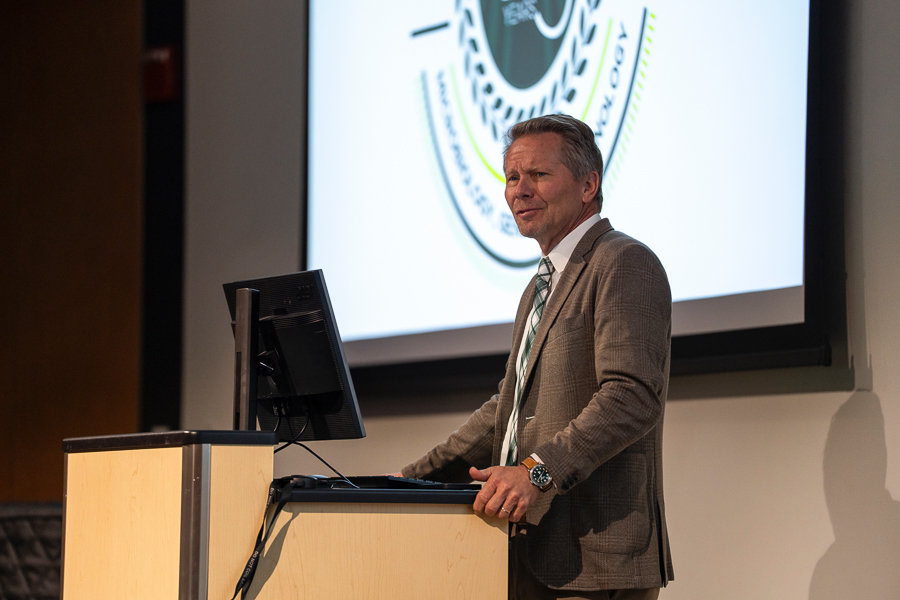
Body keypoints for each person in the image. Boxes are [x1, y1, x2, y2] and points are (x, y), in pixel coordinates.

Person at [400, 114, 674, 599]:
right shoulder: (539, 286)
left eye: (539, 175)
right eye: (511, 177)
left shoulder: (623, 261)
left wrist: (536, 473)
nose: (519, 190)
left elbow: (632, 396)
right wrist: (408, 480)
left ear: (589, 184)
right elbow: (508, 408)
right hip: (526, 551)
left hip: (594, 561)